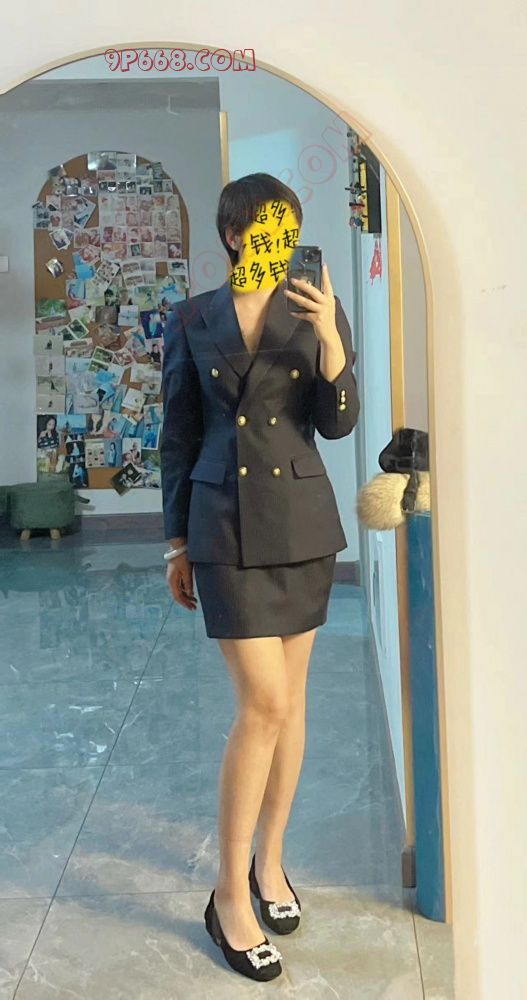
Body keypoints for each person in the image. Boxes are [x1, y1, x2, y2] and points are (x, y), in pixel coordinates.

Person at [160, 172, 360, 983]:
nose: (272, 235)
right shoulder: (190, 317)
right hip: (222, 524)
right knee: (264, 704)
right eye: (259, 224)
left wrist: (332, 340)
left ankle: (269, 864)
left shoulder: (313, 307)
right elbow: (177, 433)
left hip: (300, 525)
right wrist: (174, 542)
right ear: (234, 233)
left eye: (286, 222)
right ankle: (225, 895)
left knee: (292, 703)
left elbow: (337, 422)